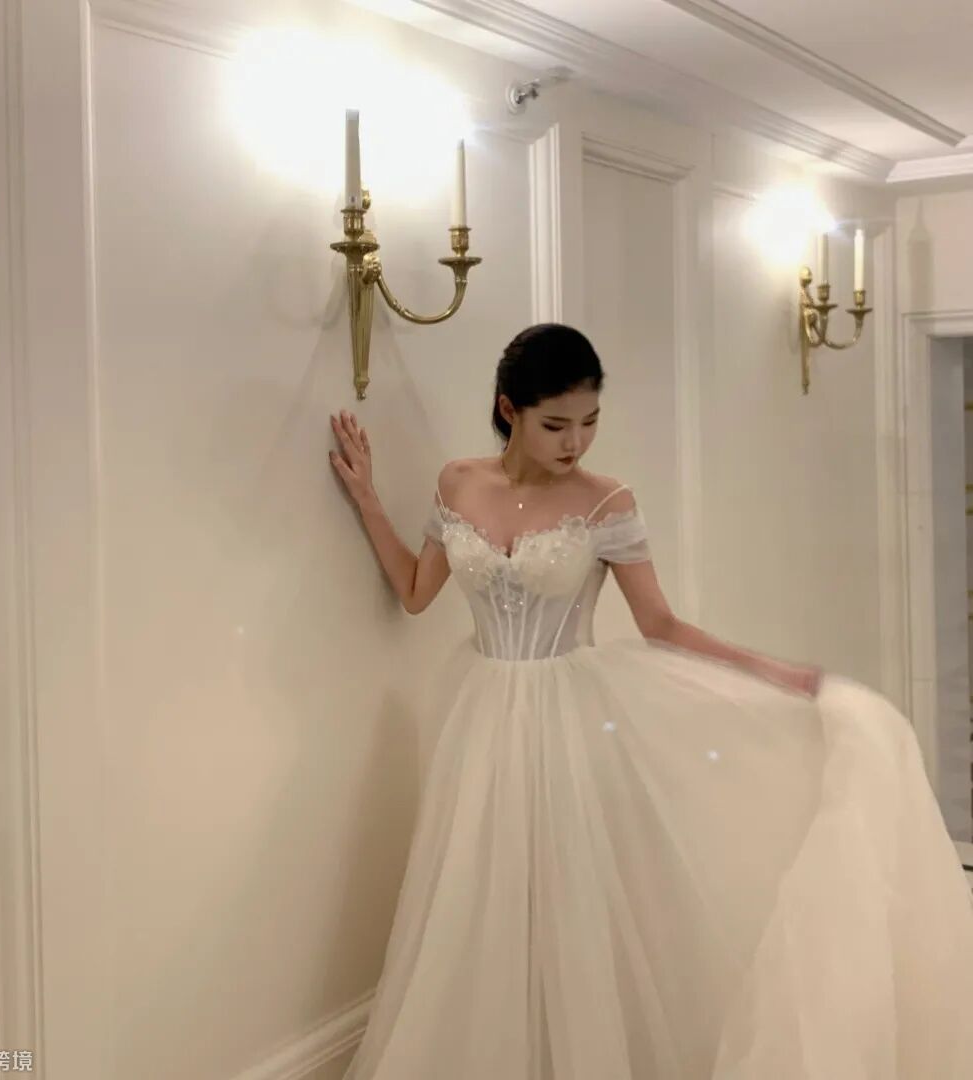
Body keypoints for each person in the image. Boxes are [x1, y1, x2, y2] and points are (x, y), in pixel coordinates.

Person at [328, 323, 973, 1079]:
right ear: (509, 410)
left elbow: (660, 624)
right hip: (481, 722)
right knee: (480, 902)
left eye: (590, 420)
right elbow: (414, 593)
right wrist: (368, 498)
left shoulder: (605, 501)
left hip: (569, 722)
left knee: (571, 903)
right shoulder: (458, 483)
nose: (576, 442)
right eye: (556, 424)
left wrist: (775, 674)